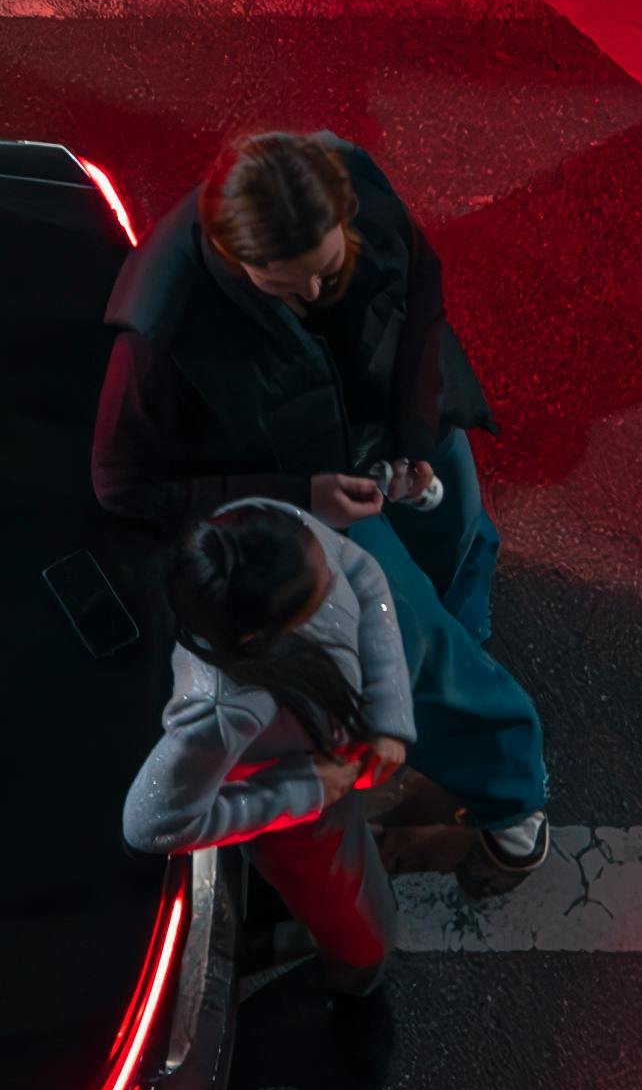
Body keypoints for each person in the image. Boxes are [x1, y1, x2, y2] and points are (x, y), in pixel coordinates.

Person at [91, 128, 553, 893]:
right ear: (234, 255)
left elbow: (419, 288)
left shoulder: (350, 181)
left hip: (387, 436)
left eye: (327, 272)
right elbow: (125, 485)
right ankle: (512, 796)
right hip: (306, 485)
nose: (312, 297)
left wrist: (413, 432)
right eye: (286, 286)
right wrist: (301, 497)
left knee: (460, 531)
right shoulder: (159, 337)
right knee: (408, 640)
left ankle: (457, 660)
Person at [120, 496, 413, 1057]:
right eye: (319, 594)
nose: (333, 568)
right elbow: (152, 823)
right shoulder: (221, 708)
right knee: (362, 929)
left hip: (339, 760)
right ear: (262, 638)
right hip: (308, 818)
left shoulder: (261, 532)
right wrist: (305, 791)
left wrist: (388, 715)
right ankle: (353, 979)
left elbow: (362, 571)